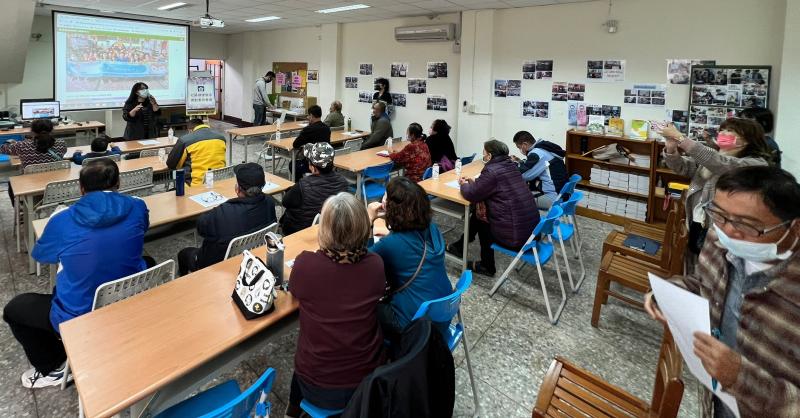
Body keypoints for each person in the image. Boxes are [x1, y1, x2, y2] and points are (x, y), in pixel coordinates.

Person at [644, 166, 800, 418]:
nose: (728, 232)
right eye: (719, 215)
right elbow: (703, 283)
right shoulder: (719, 238)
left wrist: (740, 377)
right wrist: (667, 292)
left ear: (794, 228)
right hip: (715, 400)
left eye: (746, 224)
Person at [3, 159, 150, 388]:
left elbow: (42, 256)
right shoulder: (138, 206)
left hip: (81, 312)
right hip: (127, 296)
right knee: (147, 260)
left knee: (15, 308)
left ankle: (52, 368)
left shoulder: (62, 219)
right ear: (119, 183)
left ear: (81, 189)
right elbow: (143, 228)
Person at [285, 192, 386, 416]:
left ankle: (293, 409)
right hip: (367, 380)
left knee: (304, 357)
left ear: (324, 228)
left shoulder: (305, 265)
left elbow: (294, 290)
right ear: (363, 226)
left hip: (317, 385)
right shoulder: (376, 265)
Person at [660, 118, 771, 258]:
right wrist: (671, 148)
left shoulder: (754, 164)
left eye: (730, 130)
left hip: (723, 228)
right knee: (694, 255)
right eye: (722, 130)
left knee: (713, 263)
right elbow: (683, 167)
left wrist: (681, 138)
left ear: (748, 140)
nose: (723, 133)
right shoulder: (717, 155)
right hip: (698, 218)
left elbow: (721, 164)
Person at [367, 177, 452, 336]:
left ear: (391, 207)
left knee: (362, 305)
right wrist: (392, 229)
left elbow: (364, 263)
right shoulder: (432, 228)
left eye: (385, 196)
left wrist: (370, 220)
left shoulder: (391, 244)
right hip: (443, 316)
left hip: (414, 328)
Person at [448, 140, 539, 276]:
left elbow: (471, 194)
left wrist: (463, 184)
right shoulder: (511, 166)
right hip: (532, 231)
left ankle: (487, 266)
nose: (483, 156)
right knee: (479, 214)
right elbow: (492, 187)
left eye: (484, 153)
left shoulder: (492, 170)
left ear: (490, 156)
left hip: (516, 236)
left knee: (482, 219)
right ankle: (460, 246)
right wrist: (475, 183)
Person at [177, 163, 277, 275]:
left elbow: (201, 227)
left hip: (216, 265)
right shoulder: (269, 202)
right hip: (252, 256)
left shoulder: (223, 212)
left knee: (183, 254)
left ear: (238, 188)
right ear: (263, 185)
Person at [280, 143, 349, 235]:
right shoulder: (343, 182)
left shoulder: (303, 185)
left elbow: (285, 202)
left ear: (312, 167)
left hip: (301, 231)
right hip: (329, 227)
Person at [511, 130, 568, 209]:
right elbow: (533, 166)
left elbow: (525, 176)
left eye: (519, 147)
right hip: (561, 193)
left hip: (553, 197)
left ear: (524, 144)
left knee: (514, 201)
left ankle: (526, 221)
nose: (520, 150)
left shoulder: (537, 153)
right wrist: (520, 161)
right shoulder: (543, 148)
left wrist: (512, 164)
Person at [166, 118, 227, 187]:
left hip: (196, 185)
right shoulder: (221, 138)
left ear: (190, 130)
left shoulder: (185, 140)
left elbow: (170, 164)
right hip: (220, 182)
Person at [0, 118, 67, 170]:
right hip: (55, 179)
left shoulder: (22, 145)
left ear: (32, 131)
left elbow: (2, 149)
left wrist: (9, 141)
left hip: (30, 183)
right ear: (52, 130)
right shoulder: (61, 143)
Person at [291, 105, 332, 181]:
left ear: (312, 116)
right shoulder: (327, 128)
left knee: (292, 165)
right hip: (326, 162)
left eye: (308, 115)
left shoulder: (308, 129)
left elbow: (295, 144)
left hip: (313, 164)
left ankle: (300, 186)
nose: (307, 117)